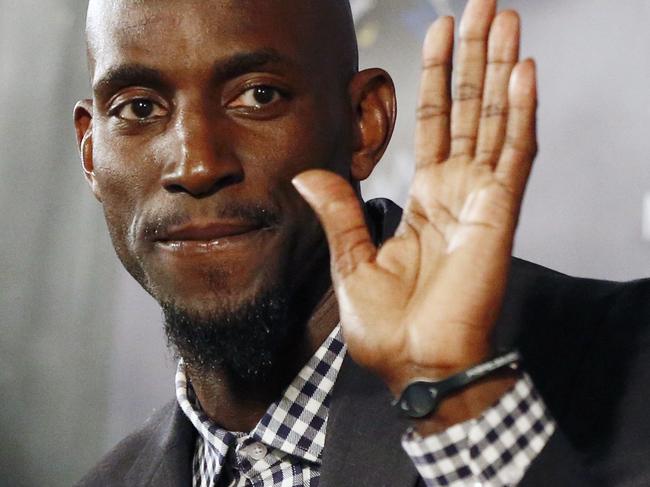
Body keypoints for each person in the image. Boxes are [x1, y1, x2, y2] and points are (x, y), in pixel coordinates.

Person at [73, 0, 650, 485]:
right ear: (92, 154)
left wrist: (456, 400)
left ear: (363, 122)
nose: (197, 164)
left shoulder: (625, 361)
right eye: (139, 108)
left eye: (259, 96)